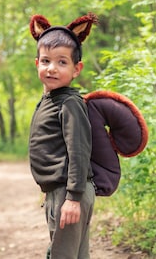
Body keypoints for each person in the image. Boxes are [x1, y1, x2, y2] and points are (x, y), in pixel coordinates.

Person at [28, 13, 98, 259]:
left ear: (76, 69)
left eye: (62, 62)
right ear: (37, 63)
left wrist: (73, 198)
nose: (52, 68)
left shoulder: (69, 103)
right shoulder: (51, 100)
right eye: (46, 60)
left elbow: (79, 152)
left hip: (68, 193)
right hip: (59, 192)